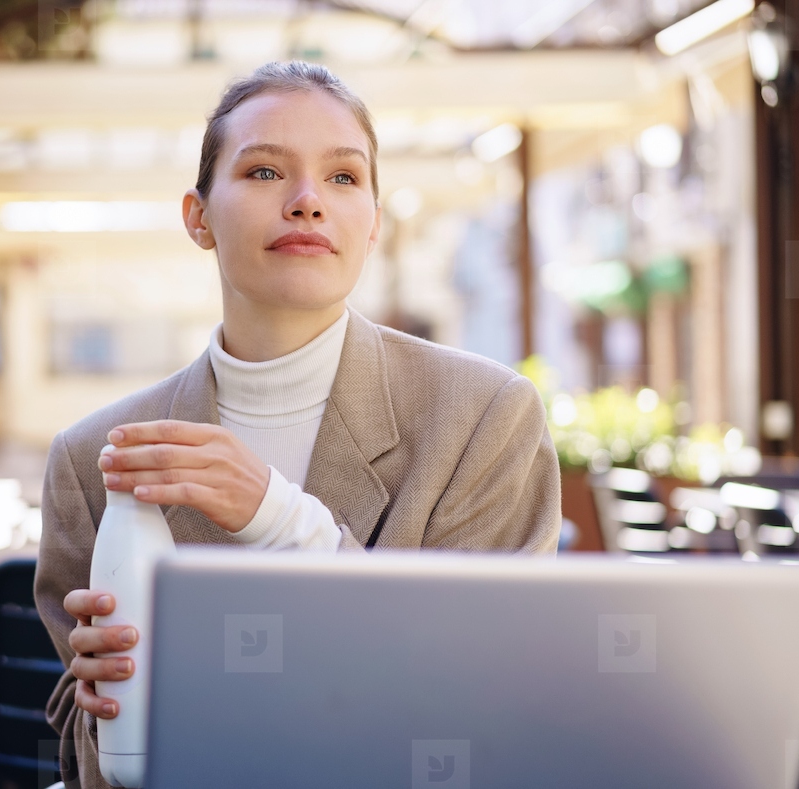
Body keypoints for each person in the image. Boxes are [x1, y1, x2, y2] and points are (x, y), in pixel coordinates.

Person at [35, 60, 561, 789]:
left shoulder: (483, 416)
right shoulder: (96, 458)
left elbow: (484, 705)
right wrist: (112, 700)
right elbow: (78, 746)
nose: (309, 202)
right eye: (263, 173)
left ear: (374, 223)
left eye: (344, 178)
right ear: (198, 216)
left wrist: (280, 516)